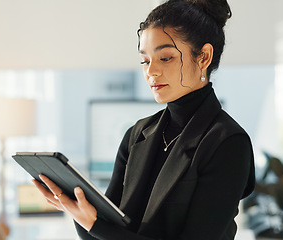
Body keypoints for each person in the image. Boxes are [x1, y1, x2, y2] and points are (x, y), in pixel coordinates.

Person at [32, 0, 255, 239]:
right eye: (145, 61)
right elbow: (99, 234)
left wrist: (95, 224)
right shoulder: (137, 134)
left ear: (203, 57)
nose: (151, 72)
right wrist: (76, 209)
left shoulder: (228, 142)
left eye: (166, 58)